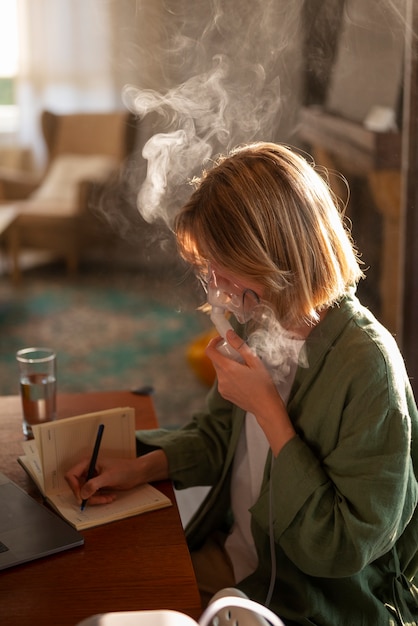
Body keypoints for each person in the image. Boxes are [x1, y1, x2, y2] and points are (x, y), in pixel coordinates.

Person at [65, 142, 418, 625]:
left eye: (221, 266)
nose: (215, 288)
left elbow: (343, 546)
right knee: (93, 594)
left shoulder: (368, 367)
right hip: (239, 562)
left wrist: (269, 411)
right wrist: (141, 466)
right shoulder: (260, 323)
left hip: (312, 603)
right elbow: (217, 438)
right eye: (207, 268)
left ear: (271, 253)